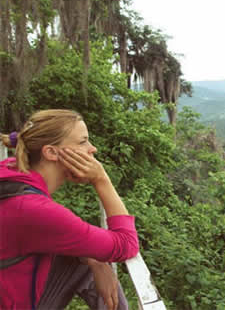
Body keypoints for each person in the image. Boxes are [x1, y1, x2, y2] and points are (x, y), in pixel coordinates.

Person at [0, 109, 139, 310]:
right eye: (83, 142)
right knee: (89, 261)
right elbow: (126, 244)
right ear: (51, 152)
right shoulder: (34, 210)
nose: (93, 149)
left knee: (89, 257)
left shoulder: (11, 171)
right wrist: (102, 180)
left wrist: (93, 258)